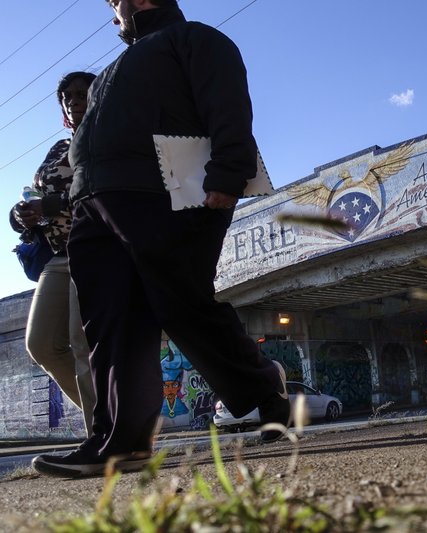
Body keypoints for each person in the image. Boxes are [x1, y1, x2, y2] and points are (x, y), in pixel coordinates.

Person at [32, 0, 289, 477]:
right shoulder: (111, 70)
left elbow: (228, 102)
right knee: (111, 322)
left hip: (164, 192)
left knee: (180, 301)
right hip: (94, 204)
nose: (113, 17)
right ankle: (122, 441)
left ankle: (262, 387)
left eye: (115, 4)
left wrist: (229, 172)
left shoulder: (195, 40)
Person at [10, 72, 98, 436]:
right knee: (43, 345)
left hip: (96, 249)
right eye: (66, 97)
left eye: (81, 94)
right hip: (57, 256)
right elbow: (33, 194)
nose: (72, 101)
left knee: (82, 344)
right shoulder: (57, 149)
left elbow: (107, 190)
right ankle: (117, 413)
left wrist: (54, 204)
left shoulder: (108, 138)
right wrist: (21, 215)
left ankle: (106, 435)